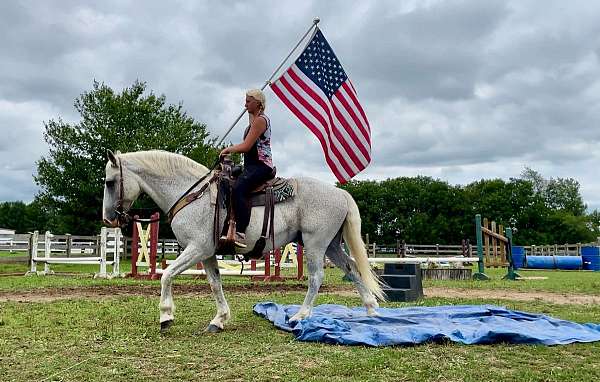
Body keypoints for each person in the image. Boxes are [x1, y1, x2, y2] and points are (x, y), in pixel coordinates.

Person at [220, 89, 274, 248]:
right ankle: (227, 225)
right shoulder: (254, 121)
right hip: (251, 165)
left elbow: (246, 146)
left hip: (261, 165)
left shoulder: (261, 121)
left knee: (239, 188)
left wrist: (228, 150)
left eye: (249, 101)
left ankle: (241, 232)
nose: (245, 104)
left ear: (258, 103)